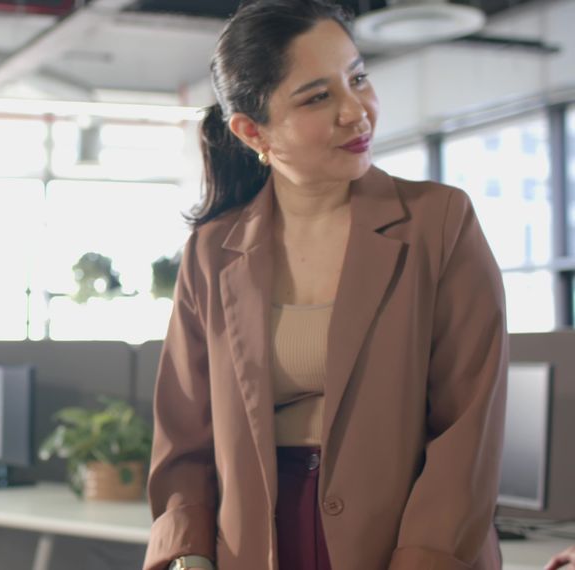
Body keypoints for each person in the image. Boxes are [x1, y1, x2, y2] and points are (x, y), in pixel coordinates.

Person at [144, 1, 507, 569]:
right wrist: (187, 554)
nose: (356, 112)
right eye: (317, 97)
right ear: (251, 130)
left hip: (408, 544)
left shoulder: (439, 223)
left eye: (358, 79)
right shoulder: (213, 252)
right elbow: (184, 435)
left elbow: (468, 431)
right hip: (254, 547)